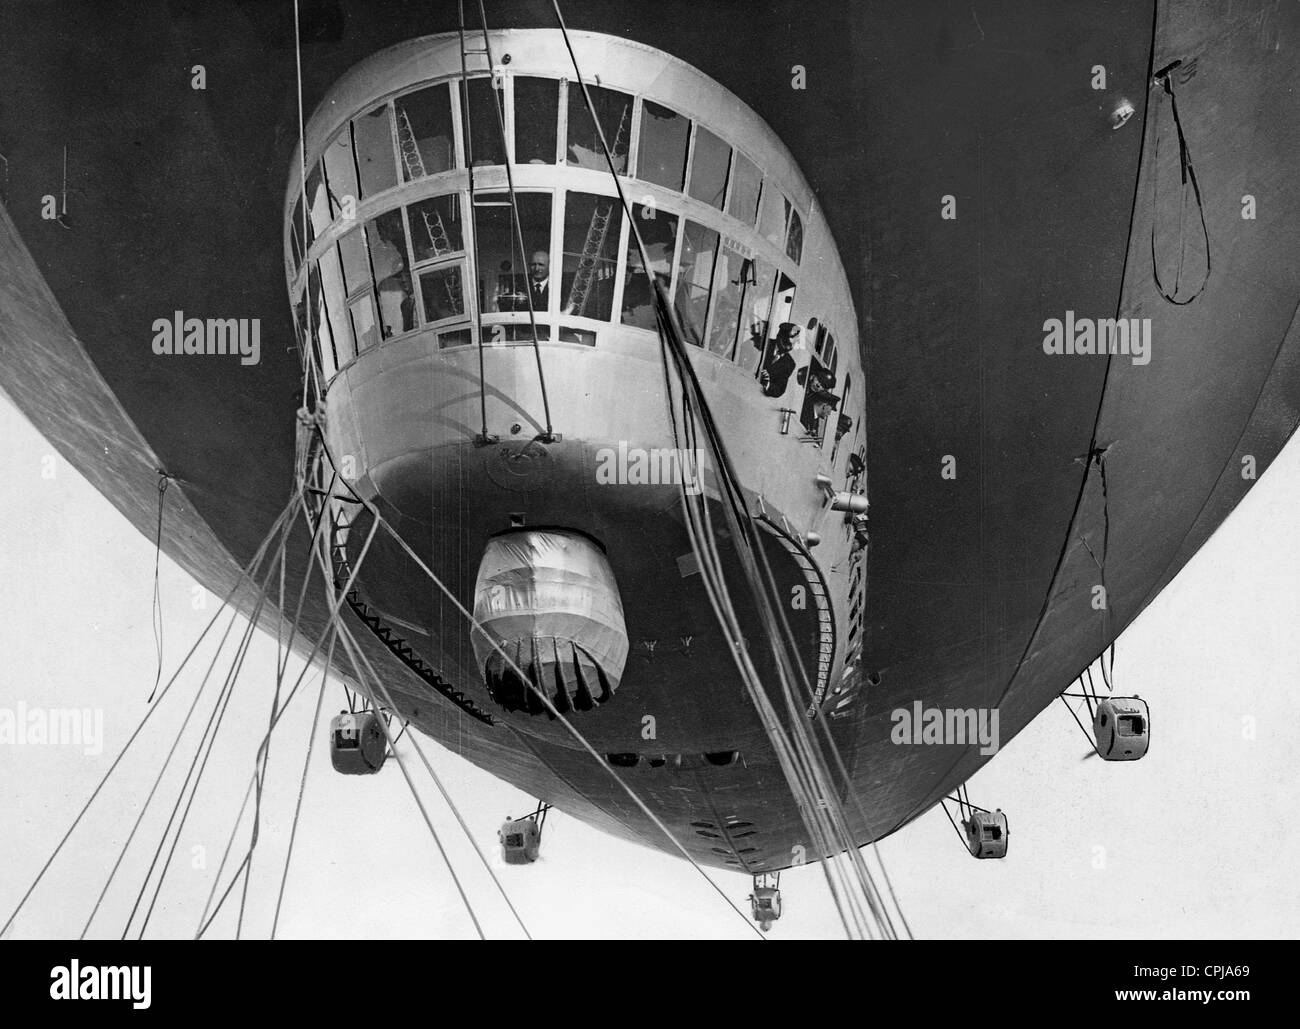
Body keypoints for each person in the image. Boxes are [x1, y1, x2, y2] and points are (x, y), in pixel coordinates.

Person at [759, 323, 800, 397]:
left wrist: (768, 384)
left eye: (792, 344)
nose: (789, 347)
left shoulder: (790, 363)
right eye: (787, 342)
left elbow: (780, 389)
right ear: (780, 336)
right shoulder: (762, 343)